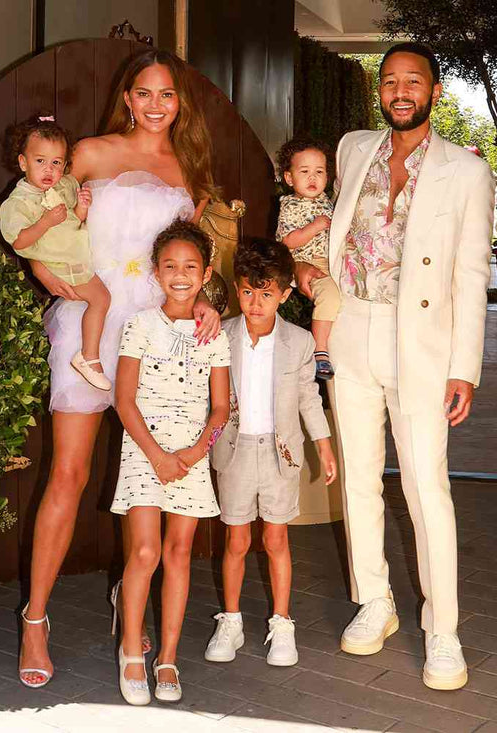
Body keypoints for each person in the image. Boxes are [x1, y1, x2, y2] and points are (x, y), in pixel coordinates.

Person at [17, 48, 221, 690]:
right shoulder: (87, 154)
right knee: (69, 475)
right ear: (127, 98)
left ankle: (135, 615)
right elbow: (34, 222)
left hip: (162, 344)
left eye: (168, 94)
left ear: (177, 102)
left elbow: (189, 256)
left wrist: (208, 300)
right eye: (144, 93)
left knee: (153, 486)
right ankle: (35, 618)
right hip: (90, 328)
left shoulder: (188, 166)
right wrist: (53, 282)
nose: (156, 105)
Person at [294, 41, 493, 691]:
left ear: (435, 92)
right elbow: (329, 228)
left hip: (423, 344)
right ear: (380, 91)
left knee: (425, 487)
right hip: (352, 325)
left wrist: (465, 365)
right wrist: (304, 269)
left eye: (414, 81)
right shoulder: (354, 148)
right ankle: (374, 600)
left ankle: (443, 630)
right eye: (390, 81)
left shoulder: (466, 171)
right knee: (358, 479)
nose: (400, 90)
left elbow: (470, 272)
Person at [111, 221, 230, 705]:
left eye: (190, 267)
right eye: (170, 266)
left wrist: (197, 451)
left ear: (204, 275)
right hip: (144, 451)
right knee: (145, 554)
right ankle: (131, 652)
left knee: (180, 554)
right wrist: (158, 456)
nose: (180, 275)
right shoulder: (139, 325)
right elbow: (123, 400)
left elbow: (222, 408)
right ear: (156, 273)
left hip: (192, 455)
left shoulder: (213, 333)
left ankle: (167, 658)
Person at [203, 238, 337, 668]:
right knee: (237, 540)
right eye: (247, 292)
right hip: (235, 452)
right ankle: (232, 620)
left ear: (284, 293)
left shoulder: (298, 342)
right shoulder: (221, 336)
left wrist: (324, 444)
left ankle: (282, 622)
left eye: (266, 294)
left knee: (277, 538)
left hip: (282, 454)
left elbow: (307, 397)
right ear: (238, 289)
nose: (255, 303)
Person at [0, 118, 111, 390]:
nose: (49, 170)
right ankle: (89, 357)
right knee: (101, 298)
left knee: (101, 299)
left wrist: (82, 208)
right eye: (40, 161)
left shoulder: (62, 187)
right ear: (23, 163)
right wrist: (44, 222)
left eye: (56, 163)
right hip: (60, 264)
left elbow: (72, 220)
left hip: (74, 255)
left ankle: (89, 354)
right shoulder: (19, 203)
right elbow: (19, 240)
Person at [274, 137, 340, 379]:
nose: (313, 178)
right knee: (330, 296)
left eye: (319, 171)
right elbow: (287, 241)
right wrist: (314, 227)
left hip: (332, 260)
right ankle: (320, 350)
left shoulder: (327, 201)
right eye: (305, 171)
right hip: (310, 261)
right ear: (290, 178)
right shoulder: (290, 205)